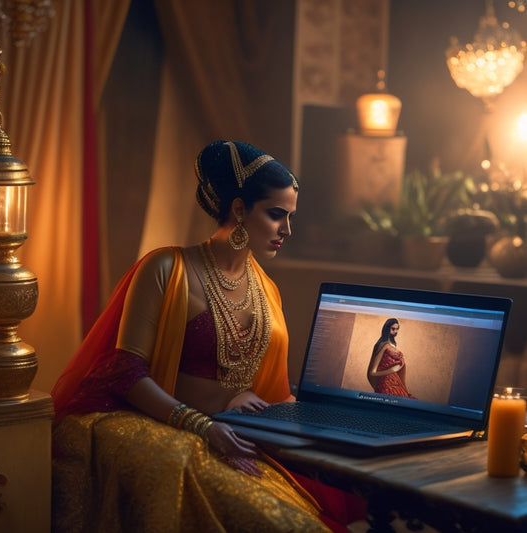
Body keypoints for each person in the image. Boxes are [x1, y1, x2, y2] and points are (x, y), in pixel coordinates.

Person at [51, 140, 366, 532]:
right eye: (276, 215)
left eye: (290, 217)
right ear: (238, 209)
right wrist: (202, 426)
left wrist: (325, 417)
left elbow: (273, 389)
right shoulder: (167, 268)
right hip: (172, 431)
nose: (287, 229)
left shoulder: (266, 290)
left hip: (237, 435)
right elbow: (125, 372)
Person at [367, 318, 416, 399]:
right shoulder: (383, 345)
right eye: (393, 329)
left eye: (397, 329)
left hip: (397, 381)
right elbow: (372, 372)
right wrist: (392, 370)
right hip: (386, 384)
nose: (396, 332)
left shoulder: (393, 344)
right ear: (387, 328)